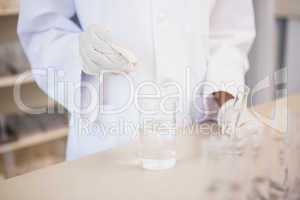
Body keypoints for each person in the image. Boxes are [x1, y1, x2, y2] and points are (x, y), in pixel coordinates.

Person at [17, 0, 256, 160]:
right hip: (107, 144)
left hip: (198, 135)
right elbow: (41, 27)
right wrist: (76, 52)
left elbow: (228, 30)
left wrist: (224, 93)